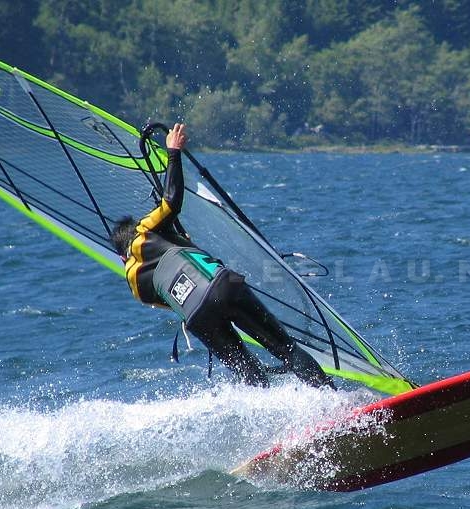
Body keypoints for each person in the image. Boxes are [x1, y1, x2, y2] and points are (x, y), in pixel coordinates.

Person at [110, 123, 334, 389]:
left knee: (249, 374)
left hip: (197, 317)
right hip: (223, 285)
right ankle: (331, 398)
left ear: (122, 258)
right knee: (286, 350)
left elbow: (176, 291)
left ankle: (266, 409)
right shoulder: (143, 230)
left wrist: (181, 244)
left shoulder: (135, 286)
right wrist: (173, 152)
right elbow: (171, 202)